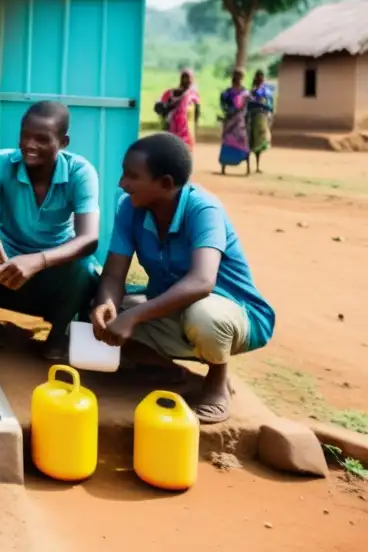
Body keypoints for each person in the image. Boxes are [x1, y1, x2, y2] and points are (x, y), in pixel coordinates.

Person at [90, 133, 275, 424]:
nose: (122, 183)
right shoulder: (130, 207)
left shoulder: (203, 209)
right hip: (170, 308)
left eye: (132, 176)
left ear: (165, 183)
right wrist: (107, 306)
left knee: (205, 317)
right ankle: (174, 372)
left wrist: (134, 316)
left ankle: (217, 380)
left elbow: (202, 282)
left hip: (230, 311)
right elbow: (114, 272)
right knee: (95, 316)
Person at [0, 101, 100, 360]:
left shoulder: (80, 172)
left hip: (54, 263)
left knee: (84, 264)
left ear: (63, 142)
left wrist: (39, 260)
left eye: (42, 139)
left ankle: (56, 337)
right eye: (25, 135)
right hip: (8, 255)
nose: (30, 145)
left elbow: (89, 238)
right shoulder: (3, 161)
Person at [157, 69, 201, 150]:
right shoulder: (190, 94)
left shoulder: (192, 94)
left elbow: (197, 113)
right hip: (177, 127)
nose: (186, 80)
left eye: (188, 78)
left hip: (182, 127)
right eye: (185, 78)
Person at [218, 69, 251, 174]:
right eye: (236, 76)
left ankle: (247, 167)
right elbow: (223, 104)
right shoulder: (227, 92)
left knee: (242, 140)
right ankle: (224, 166)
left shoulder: (245, 92)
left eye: (239, 76)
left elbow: (247, 106)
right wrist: (228, 112)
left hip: (239, 121)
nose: (237, 78)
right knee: (228, 140)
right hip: (230, 120)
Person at [247, 70, 273, 173]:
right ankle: (249, 166)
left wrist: (269, 114)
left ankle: (257, 166)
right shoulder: (252, 91)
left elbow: (270, 105)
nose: (260, 80)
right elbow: (248, 104)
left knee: (260, 141)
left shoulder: (266, 91)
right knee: (250, 141)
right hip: (252, 117)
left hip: (262, 118)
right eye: (259, 78)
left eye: (261, 78)